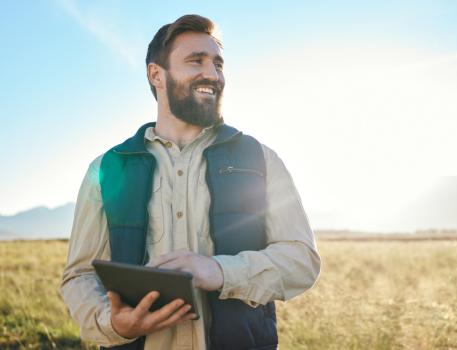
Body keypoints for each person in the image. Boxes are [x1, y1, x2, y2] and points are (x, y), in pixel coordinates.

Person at [60, 14, 320, 350]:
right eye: (195, 60)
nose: (212, 74)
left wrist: (221, 272)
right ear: (157, 74)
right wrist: (112, 324)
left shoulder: (260, 160)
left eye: (218, 63)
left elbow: (302, 261)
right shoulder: (108, 169)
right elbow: (79, 276)